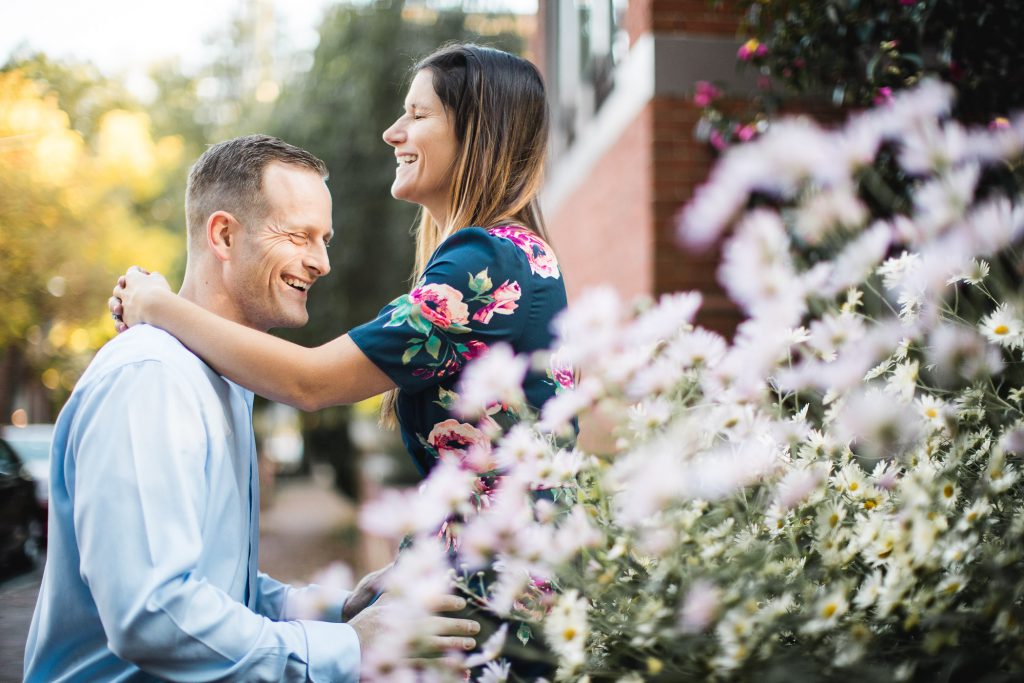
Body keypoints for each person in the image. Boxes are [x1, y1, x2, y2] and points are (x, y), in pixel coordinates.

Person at [25, 135, 479, 683]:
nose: (322, 262)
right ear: (223, 235)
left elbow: (224, 593)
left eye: (325, 239)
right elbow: (154, 614)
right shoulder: (153, 379)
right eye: (299, 236)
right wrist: (346, 648)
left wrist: (347, 611)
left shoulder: (222, 381)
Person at [111, 43, 571, 483]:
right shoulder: (512, 254)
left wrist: (156, 305)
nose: (393, 133)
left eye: (418, 114)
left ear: (476, 133)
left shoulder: (486, 265)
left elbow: (308, 382)